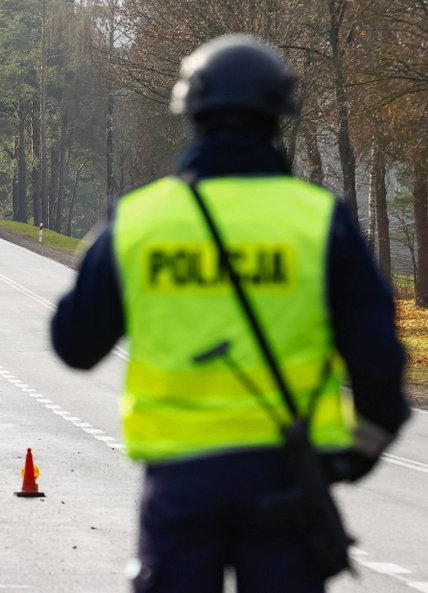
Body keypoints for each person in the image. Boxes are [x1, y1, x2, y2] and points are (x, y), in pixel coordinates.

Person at [51, 34, 410, 593]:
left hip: (180, 483)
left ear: (190, 112)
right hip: (287, 478)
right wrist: (357, 453)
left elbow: (75, 343)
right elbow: (380, 359)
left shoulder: (141, 220)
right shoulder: (319, 221)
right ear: (280, 115)